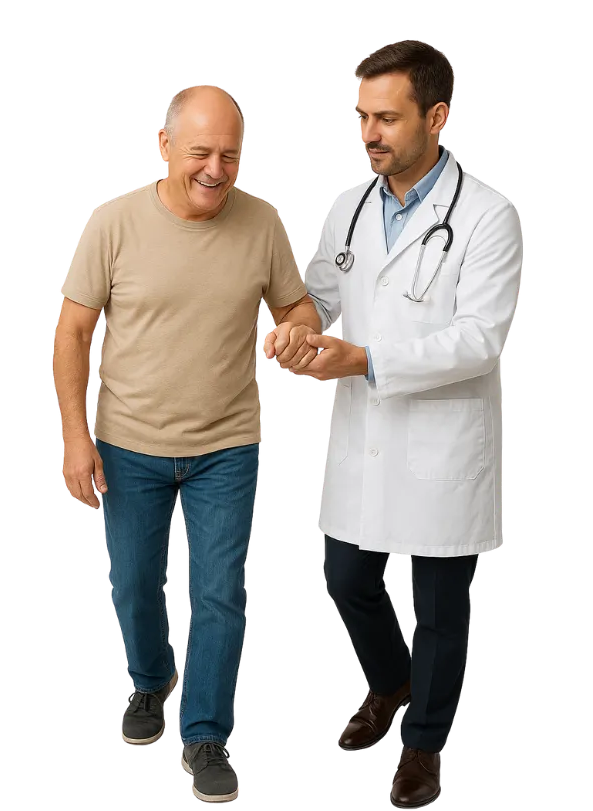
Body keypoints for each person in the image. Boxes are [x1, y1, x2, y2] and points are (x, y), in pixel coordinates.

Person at [52, 83, 321, 804]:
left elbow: (298, 305)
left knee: (219, 594)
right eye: (201, 152)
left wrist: (298, 328)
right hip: (128, 444)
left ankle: (205, 734)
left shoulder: (262, 221)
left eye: (230, 155)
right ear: (163, 145)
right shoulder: (114, 221)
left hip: (226, 446)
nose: (216, 169)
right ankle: (151, 679)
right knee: (133, 584)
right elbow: (73, 331)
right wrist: (75, 437)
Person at [271, 40, 522, 808]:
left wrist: (365, 359)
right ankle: (390, 682)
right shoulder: (348, 204)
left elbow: (480, 338)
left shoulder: (487, 215)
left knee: (441, 609)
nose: (367, 133)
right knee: (347, 580)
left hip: (443, 443)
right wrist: (299, 333)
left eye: (386, 118)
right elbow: (320, 298)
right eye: (360, 116)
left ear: (437, 117)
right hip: (364, 436)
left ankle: (423, 746)